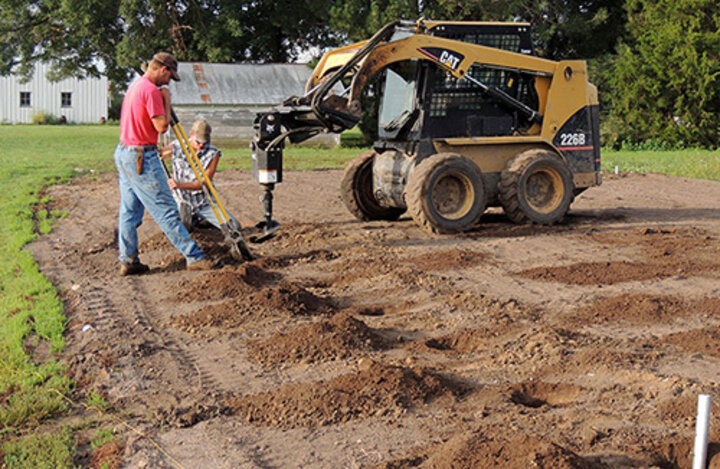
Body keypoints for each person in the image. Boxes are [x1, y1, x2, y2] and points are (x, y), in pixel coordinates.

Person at [114, 52, 214, 275]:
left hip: (124, 153)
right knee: (166, 209)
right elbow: (161, 126)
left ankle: (128, 260)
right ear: (163, 70)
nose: (170, 82)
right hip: (141, 157)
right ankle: (194, 256)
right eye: (170, 77)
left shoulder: (135, 85)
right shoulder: (150, 90)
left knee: (129, 211)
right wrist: (166, 99)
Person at [161, 119, 240, 230]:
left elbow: (204, 183)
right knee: (181, 226)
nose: (201, 146)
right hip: (181, 202)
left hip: (203, 203)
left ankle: (202, 220)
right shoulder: (177, 146)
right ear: (191, 134)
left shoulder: (213, 154)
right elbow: (159, 154)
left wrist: (179, 185)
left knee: (234, 227)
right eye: (198, 142)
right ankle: (189, 221)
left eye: (205, 142)